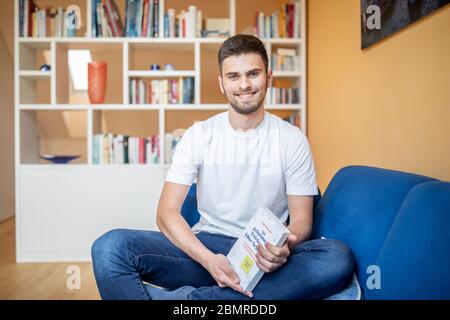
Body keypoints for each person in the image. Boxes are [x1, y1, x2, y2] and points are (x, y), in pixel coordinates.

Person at [91, 34, 355, 300]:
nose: (244, 85)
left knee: (336, 258)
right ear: (222, 83)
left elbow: (301, 221)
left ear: (269, 77)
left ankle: (192, 301)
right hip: (206, 248)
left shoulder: (292, 139)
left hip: (262, 257)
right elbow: (166, 214)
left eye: (253, 74)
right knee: (109, 248)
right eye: (234, 76)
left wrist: (285, 245)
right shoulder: (199, 134)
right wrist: (208, 260)